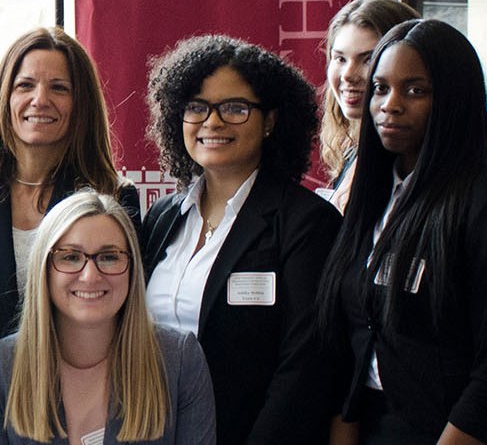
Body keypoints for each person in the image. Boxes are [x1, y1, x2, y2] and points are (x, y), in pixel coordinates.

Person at [310, 19, 487, 445]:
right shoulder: (369, 198)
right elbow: (351, 339)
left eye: (415, 91)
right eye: (380, 88)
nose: (390, 105)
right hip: (367, 423)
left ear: (452, 99)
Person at [141, 35, 340, 444]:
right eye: (196, 107)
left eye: (235, 108)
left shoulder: (306, 223)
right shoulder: (162, 218)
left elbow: (305, 367)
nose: (212, 122)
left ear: (269, 121)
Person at [0, 191, 216, 445]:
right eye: (71, 257)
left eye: (109, 257)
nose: (90, 276)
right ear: (44, 268)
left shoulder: (180, 361)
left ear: (132, 268)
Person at [0, 26, 137, 335]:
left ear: (81, 103)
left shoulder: (115, 198)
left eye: (59, 88)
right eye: (25, 85)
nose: (40, 100)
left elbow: (128, 312)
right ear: (4, 97)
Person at [317, 0, 417, 211]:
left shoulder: (407, 163)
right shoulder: (352, 151)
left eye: (368, 59)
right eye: (340, 59)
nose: (348, 75)